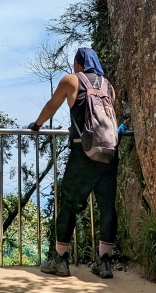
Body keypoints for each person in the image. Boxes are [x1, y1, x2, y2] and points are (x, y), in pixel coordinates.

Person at [28, 48, 118, 280]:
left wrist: (36, 125)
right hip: (109, 154)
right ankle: (105, 263)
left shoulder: (72, 80)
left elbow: (52, 106)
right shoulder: (108, 86)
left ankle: (61, 260)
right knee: (107, 206)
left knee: (68, 204)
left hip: (82, 154)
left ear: (78, 64)